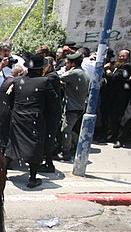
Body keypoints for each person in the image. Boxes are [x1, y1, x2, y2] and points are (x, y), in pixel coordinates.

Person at [5, 54, 60, 188]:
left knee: (13, 145)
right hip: (34, 118)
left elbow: (10, 100)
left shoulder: (17, 81)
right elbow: (54, 100)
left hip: (18, 117)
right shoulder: (44, 81)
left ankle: (3, 170)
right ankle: (32, 178)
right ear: (41, 68)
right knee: (35, 147)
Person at [58, 51, 91, 161]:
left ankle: (66, 152)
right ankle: (75, 145)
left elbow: (58, 77)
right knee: (70, 128)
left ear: (72, 64)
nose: (65, 65)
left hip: (72, 107)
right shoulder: (83, 72)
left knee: (65, 130)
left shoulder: (74, 73)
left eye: (67, 63)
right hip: (78, 106)